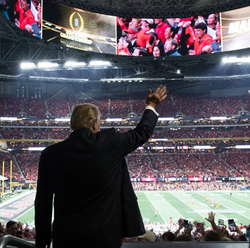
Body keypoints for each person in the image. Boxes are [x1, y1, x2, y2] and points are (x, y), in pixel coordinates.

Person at [35, 85, 167, 248]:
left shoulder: (50, 154)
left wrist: (42, 242)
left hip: (66, 239)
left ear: (72, 124)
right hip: (104, 238)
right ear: (94, 124)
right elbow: (142, 132)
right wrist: (151, 106)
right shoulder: (111, 144)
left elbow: (43, 203)